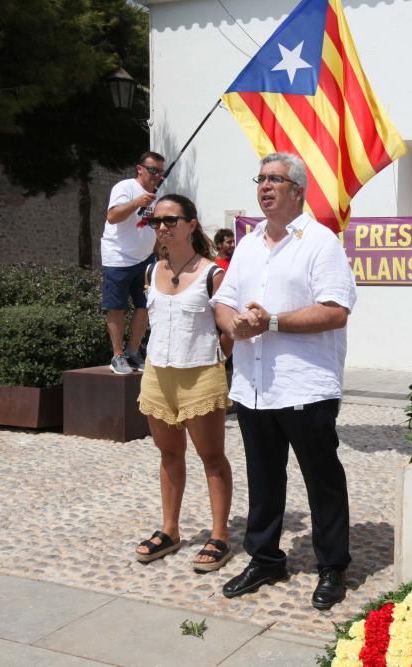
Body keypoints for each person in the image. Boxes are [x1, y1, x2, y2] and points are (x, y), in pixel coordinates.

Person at [211, 152, 356, 610]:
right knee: (264, 477)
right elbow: (223, 301)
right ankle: (266, 557)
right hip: (254, 385)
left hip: (304, 386)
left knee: (321, 478)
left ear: (298, 191)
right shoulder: (250, 243)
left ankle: (332, 565)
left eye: (276, 180)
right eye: (261, 179)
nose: (265, 186)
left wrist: (270, 323)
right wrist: (235, 324)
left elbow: (334, 309)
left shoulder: (320, 242)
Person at [134, 193, 234, 573]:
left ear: (191, 224)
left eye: (170, 220)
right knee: (168, 454)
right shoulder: (150, 271)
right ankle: (170, 529)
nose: (162, 227)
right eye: (156, 221)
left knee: (211, 457)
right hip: (158, 374)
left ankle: (220, 533)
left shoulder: (213, 274)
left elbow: (227, 329)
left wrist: (219, 360)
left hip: (200, 375)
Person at [101, 151, 165, 375]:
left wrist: (162, 254)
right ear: (140, 169)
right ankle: (117, 355)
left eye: (161, 172)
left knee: (145, 305)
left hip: (145, 258)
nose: (157, 176)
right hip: (118, 257)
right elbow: (113, 216)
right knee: (116, 307)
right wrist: (137, 202)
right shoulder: (125, 188)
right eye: (153, 170)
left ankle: (133, 352)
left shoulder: (157, 196)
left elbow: (152, 229)